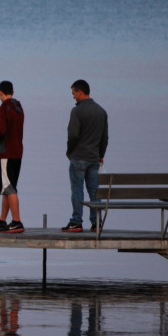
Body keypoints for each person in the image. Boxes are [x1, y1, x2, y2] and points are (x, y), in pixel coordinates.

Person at [62, 79, 108, 233]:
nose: (73, 96)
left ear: (80, 92)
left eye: (74, 93)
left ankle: (76, 222)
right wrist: (100, 154)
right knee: (94, 191)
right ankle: (97, 223)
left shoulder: (77, 111)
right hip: (94, 158)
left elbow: (73, 135)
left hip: (79, 157)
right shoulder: (101, 111)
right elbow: (104, 137)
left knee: (77, 190)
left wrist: (69, 151)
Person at [0, 80, 25, 234]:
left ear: (0, 93)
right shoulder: (18, 108)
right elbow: (3, 124)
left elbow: (0, 131)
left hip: (6, 155)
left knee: (9, 188)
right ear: (12, 92)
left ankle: (16, 222)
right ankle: (2, 221)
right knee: (8, 187)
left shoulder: (3, 109)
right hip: (17, 154)